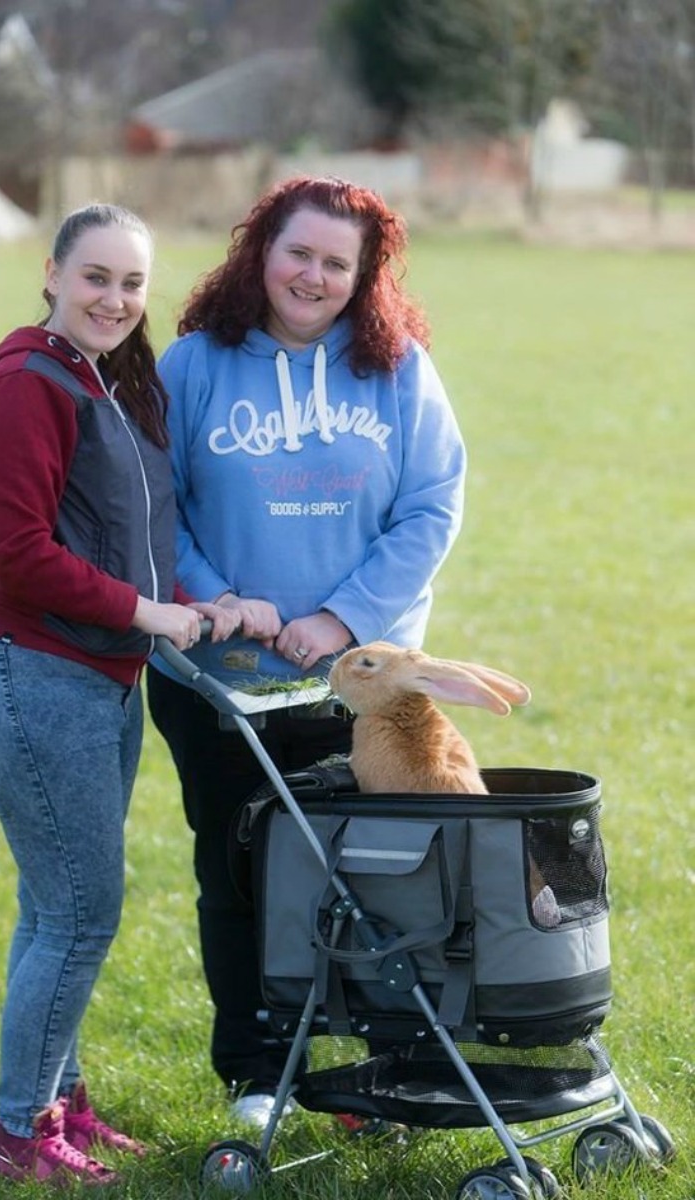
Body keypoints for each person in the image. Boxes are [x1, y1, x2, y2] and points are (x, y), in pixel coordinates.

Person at [145, 176, 467, 1128]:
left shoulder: (399, 367)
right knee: (239, 865)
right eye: (298, 252)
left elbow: (432, 505)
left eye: (338, 262)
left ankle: (378, 1065)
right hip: (218, 674)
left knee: (370, 867)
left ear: (364, 277)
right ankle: (257, 1070)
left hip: (360, 681)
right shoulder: (194, 365)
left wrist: (342, 616)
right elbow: (154, 508)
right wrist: (219, 599)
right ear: (260, 250)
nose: (313, 275)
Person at [0, 203, 238, 1185]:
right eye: (96, 278)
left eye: (131, 283)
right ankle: (22, 1135)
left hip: (93, 680)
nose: (115, 299)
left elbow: (131, 540)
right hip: (30, 673)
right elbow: (20, 556)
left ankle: (56, 1101)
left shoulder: (101, 380)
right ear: (51, 274)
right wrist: (146, 617)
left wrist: (201, 601)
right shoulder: (27, 383)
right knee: (79, 910)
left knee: (56, 904)